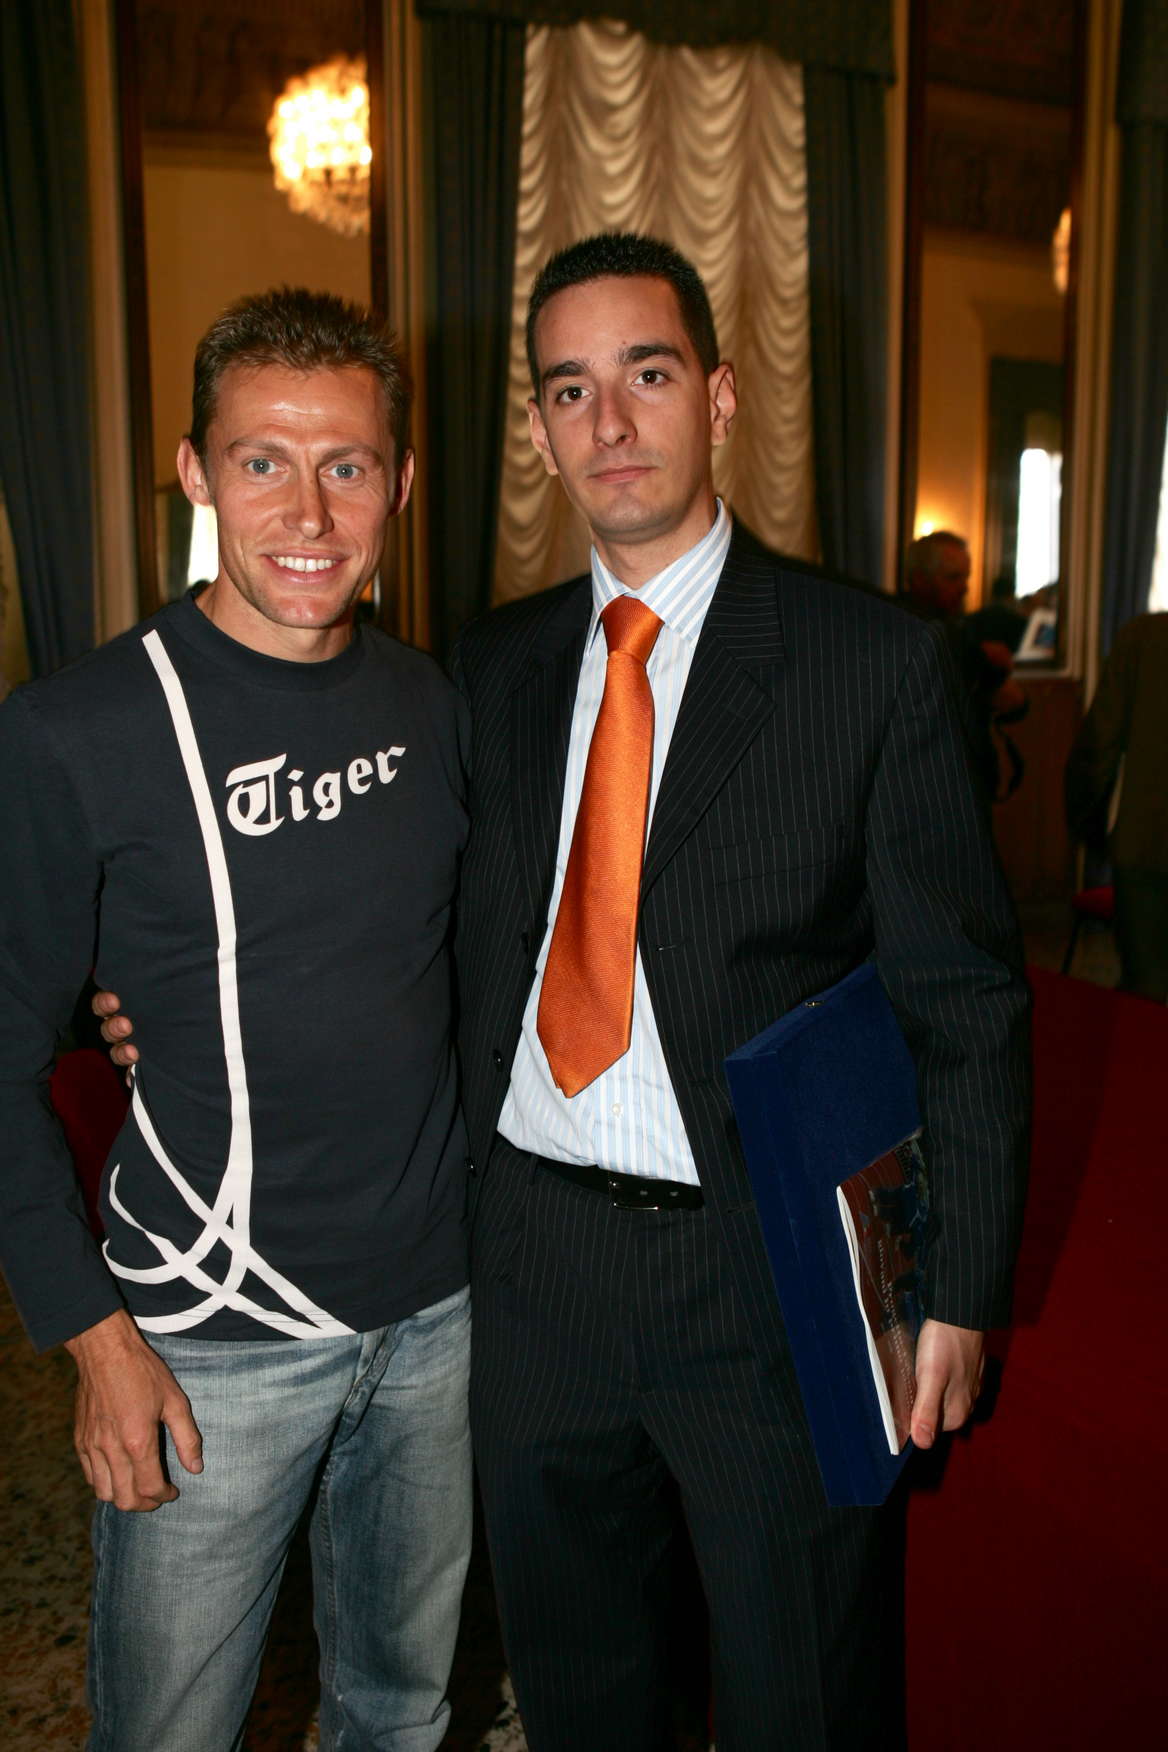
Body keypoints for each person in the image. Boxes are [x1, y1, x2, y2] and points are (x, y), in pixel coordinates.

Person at [451, 235, 1030, 1750]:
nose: (609, 421)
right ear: (538, 430)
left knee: (801, 1700)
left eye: (645, 374)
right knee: (580, 1699)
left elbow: (964, 1002)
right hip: (536, 1274)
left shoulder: (870, 664)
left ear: (715, 396)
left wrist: (960, 1287)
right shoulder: (487, 672)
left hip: (763, 1280)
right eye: (568, 389)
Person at [0, 288, 472, 1751]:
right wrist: (95, 1339)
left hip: (439, 1317)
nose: (308, 513)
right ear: (196, 473)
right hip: (207, 1337)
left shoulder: (432, 703)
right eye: (263, 461)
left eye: (347, 465)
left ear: (401, 481)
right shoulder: (76, 730)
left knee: (399, 1712)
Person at [1066, 611, 1168, 1000]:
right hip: (1146, 845)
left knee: (1147, 994)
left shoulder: (1145, 638)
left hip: (1148, 842)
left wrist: (1088, 828)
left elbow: (1098, 747)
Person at [902, 530, 1028, 799]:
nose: (964, 587)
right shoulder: (930, 636)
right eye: (953, 577)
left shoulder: (957, 631)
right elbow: (1010, 699)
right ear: (920, 580)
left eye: (966, 577)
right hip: (937, 788)